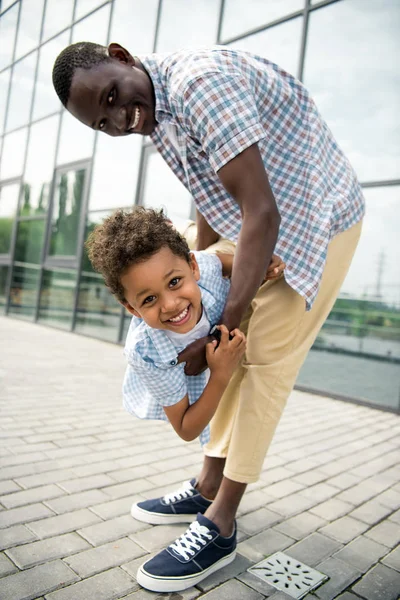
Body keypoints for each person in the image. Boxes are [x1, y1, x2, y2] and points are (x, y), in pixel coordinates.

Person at [52, 42, 365, 592]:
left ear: (122, 57)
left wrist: (220, 327)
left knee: (261, 361)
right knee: (231, 360)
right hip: (253, 222)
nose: (120, 120)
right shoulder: (155, 112)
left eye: (112, 97)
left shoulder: (199, 84)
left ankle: (220, 523)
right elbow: (210, 191)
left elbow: (261, 212)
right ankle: (206, 484)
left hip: (314, 218)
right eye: (103, 122)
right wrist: (199, 268)